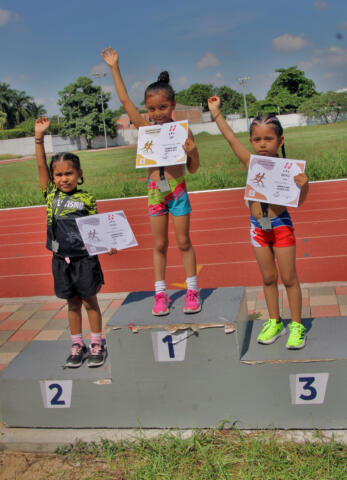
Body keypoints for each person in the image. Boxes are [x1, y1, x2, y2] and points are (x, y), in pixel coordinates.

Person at [102, 46, 201, 316]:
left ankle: (192, 290)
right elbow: (125, 102)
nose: (157, 112)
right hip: (156, 192)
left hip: (178, 191)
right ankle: (160, 294)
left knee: (183, 242)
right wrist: (114, 68)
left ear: (173, 104)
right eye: (152, 108)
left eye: (163, 107)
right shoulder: (145, 128)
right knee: (159, 245)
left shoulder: (182, 130)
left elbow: (193, 168)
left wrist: (191, 152)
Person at [208, 96, 309, 349]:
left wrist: (304, 186)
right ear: (251, 141)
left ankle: (296, 325)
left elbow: (299, 201)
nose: (262, 144)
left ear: (280, 140)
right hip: (257, 228)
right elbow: (231, 139)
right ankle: (274, 321)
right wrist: (216, 113)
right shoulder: (250, 162)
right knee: (267, 278)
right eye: (256, 139)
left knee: (289, 278)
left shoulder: (289, 169)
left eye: (268, 138)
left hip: (281, 226)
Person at [34, 117, 117, 368]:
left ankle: (96, 343)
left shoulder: (87, 198)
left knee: (90, 301)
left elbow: (97, 226)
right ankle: (76, 344)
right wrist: (39, 137)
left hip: (85, 259)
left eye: (69, 173)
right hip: (61, 260)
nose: (63, 178)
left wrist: (107, 244)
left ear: (79, 174)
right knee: (71, 303)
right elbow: (40, 164)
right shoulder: (50, 193)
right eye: (58, 174)